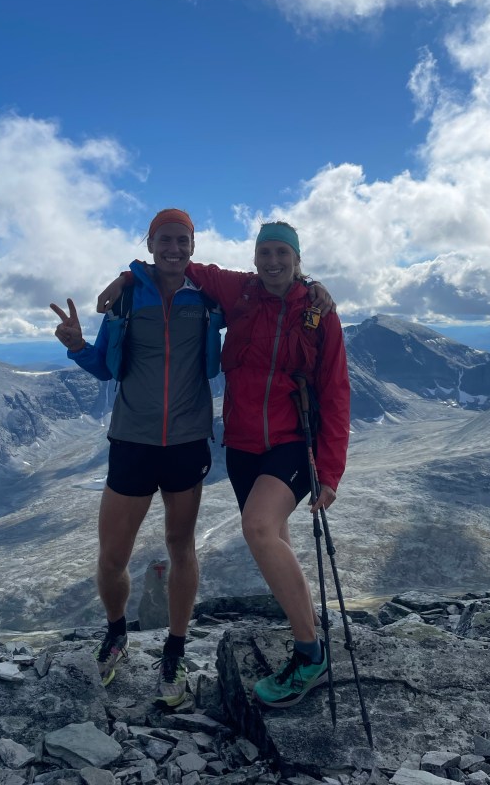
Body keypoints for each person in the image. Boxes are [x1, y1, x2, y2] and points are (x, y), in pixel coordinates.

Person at [98, 220, 350, 709]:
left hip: (293, 441)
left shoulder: (318, 314)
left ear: (297, 259)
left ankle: (310, 653)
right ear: (254, 258)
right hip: (243, 446)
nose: (273, 261)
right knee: (275, 539)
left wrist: (331, 471)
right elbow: (177, 266)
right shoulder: (240, 291)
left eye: (282, 253)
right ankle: (301, 627)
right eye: (265, 252)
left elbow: (336, 392)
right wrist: (128, 277)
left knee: (258, 528)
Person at [50, 209, 215, 707]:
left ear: (193, 245)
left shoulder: (207, 295)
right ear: (150, 244)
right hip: (132, 442)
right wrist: (77, 345)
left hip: (186, 441)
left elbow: (266, 293)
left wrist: (314, 289)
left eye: (182, 240)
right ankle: (116, 632)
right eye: (165, 240)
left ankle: (175, 649)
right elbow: (106, 366)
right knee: (112, 556)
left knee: (181, 547)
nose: (174, 249)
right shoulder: (126, 298)